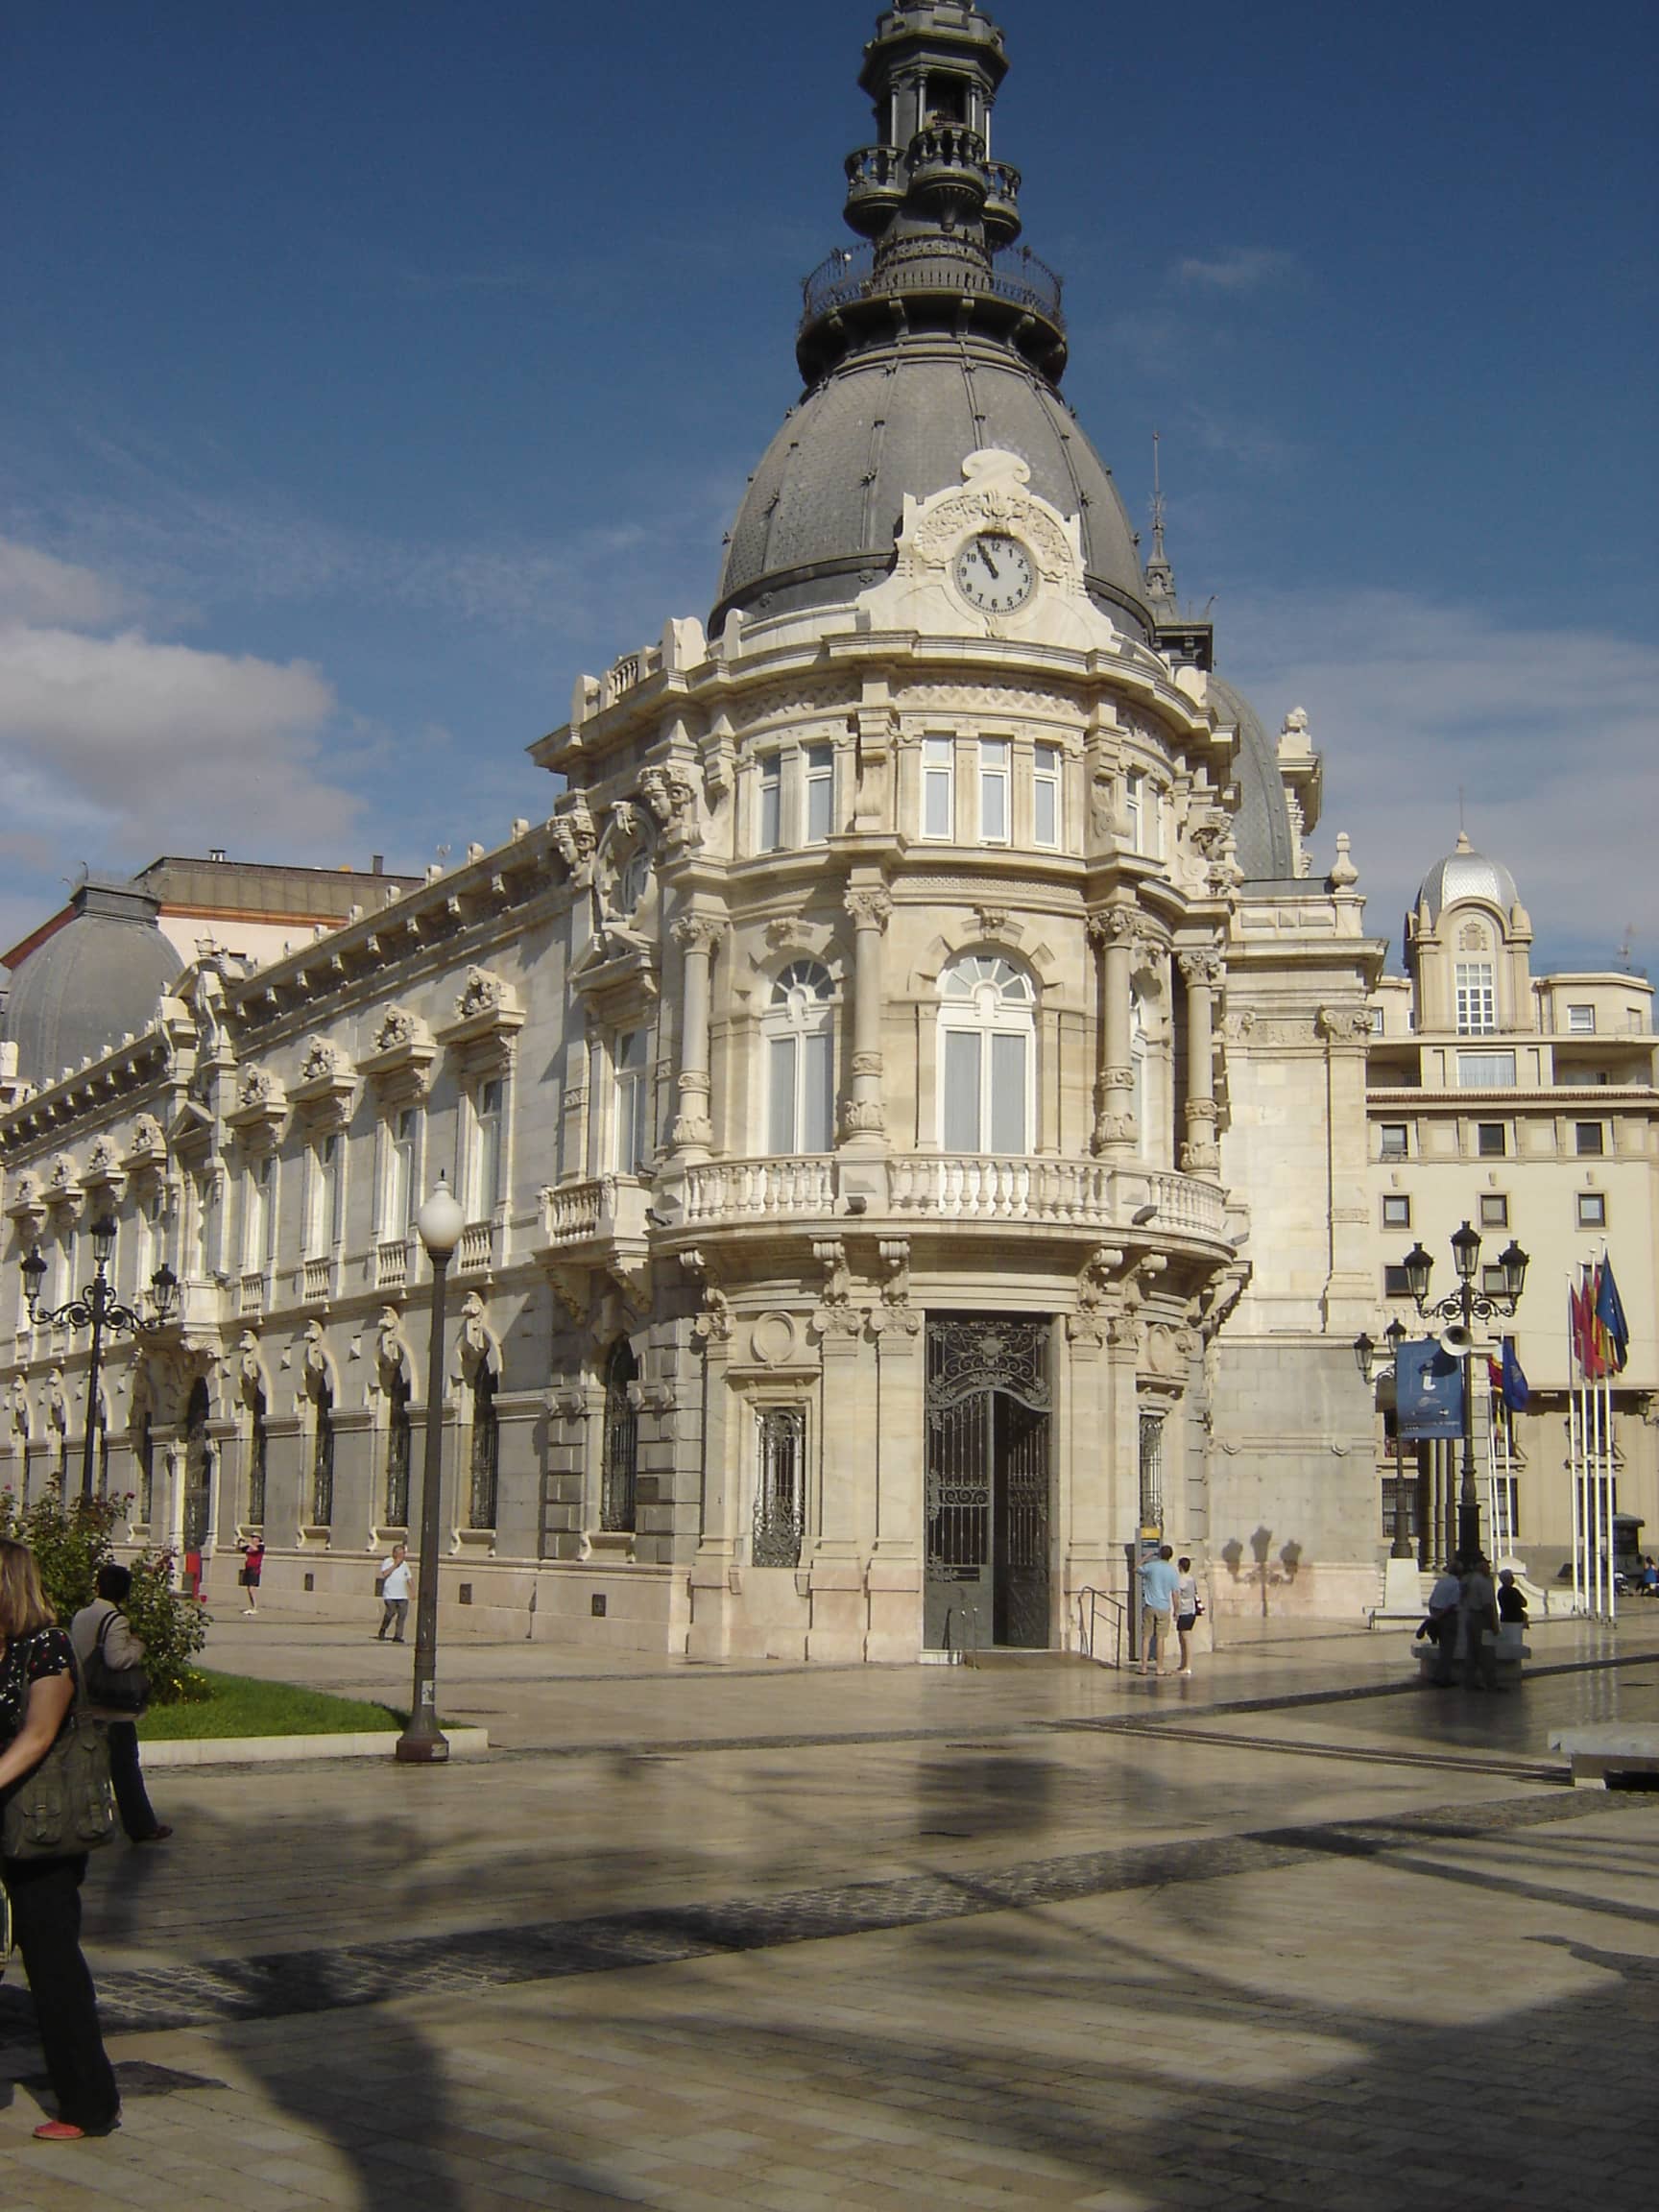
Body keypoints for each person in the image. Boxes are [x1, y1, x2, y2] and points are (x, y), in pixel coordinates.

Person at [0, 1537, 122, 2142]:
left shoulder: (44, 1646)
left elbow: (39, 1735)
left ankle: (89, 2103)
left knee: (52, 1966)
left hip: (38, 1828)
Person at [70, 1566, 171, 1846]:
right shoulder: (116, 1619)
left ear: (98, 1586)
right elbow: (116, 1659)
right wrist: (137, 1647)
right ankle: (141, 1825)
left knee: (88, 1766)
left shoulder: (81, 1615)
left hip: (86, 1699)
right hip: (112, 1705)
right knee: (125, 1767)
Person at [1138, 1544, 1181, 1676]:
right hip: (1163, 1607)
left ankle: (1143, 1668)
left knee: (1146, 1637)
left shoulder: (1151, 1566)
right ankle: (1159, 1668)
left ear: (1160, 1554)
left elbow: (1136, 1568)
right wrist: (1176, 1610)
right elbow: (1175, 1593)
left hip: (1150, 1605)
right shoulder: (1172, 1571)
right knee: (1160, 1639)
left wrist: (1146, 1557)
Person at [1459, 1554, 1500, 1690]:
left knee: (1472, 1652)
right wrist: (1493, 1624)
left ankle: (1470, 1682)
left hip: (1470, 1616)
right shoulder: (1483, 1582)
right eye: (1486, 1565)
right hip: (1481, 1618)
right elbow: (1487, 1605)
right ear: (1480, 1566)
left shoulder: (1467, 1579)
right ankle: (1491, 1682)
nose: (1489, 1567)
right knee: (1486, 1652)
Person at [1424, 1562, 1463, 1687]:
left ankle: (1437, 1675)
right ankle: (1443, 1677)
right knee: (1447, 1650)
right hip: (1448, 1617)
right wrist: (1440, 1616)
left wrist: (1434, 1616)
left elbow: (1432, 1600)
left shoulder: (1441, 1582)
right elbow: (1452, 1604)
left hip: (1436, 1613)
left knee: (1442, 1648)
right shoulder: (1457, 1584)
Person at [375, 1543, 413, 1643]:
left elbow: (409, 1578)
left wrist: (412, 1590)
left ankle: (398, 1636)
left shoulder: (405, 1564)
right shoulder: (388, 1561)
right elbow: (385, 1573)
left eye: (403, 1554)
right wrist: (395, 1564)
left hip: (402, 1595)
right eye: (400, 1554)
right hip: (390, 1594)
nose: (402, 1556)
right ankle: (383, 1629)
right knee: (390, 1613)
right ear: (394, 1554)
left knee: (402, 1615)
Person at [1173, 1555, 1201, 1677]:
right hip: (1191, 1610)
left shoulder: (1180, 1580)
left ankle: (1187, 1666)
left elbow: (1176, 1596)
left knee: (1185, 1638)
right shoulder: (1191, 1579)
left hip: (1184, 1611)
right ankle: (1183, 1664)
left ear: (1180, 1566)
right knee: (1182, 1638)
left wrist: (1176, 1611)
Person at [238, 1537, 265, 1616]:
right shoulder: (249, 1547)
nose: (253, 1539)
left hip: (255, 1569)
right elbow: (239, 1550)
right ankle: (252, 1606)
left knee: (251, 1589)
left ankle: (255, 1607)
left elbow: (256, 1549)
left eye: (254, 1538)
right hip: (248, 1568)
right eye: (252, 1538)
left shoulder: (261, 1547)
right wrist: (239, 1542)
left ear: (258, 1540)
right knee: (249, 1589)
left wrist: (248, 1543)